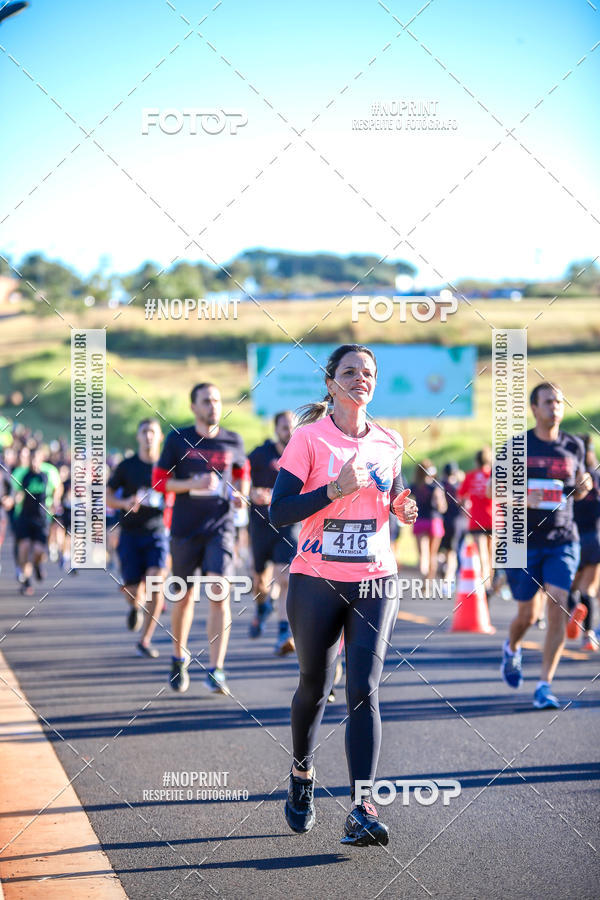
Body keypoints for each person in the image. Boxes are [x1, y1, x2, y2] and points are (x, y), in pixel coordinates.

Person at [269, 344, 417, 846]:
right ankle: (302, 774)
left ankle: (361, 807)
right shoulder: (308, 440)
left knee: (364, 688)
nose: (360, 379)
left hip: (376, 578)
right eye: (350, 371)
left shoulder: (389, 440)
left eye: (368, 372)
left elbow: (394, 494)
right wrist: (332, 491)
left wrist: (402, 505)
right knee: (316, 684)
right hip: (315, 580)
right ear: (331, 383)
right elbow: (279, 511)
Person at [153, 383, 249, 694]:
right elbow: (159, 484)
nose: (213, 406)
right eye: (206, 401)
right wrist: (191, 482)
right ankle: (178, 658)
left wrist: (240, 497)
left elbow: (241, 479)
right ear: (193, 406)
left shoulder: (233, 440)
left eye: (217, 401)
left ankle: (217, 669)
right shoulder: (177, 439)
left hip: (220, 527)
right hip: (184, 529)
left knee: (220, 591)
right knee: (182, 598)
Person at [501, 383, 591, 709]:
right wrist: (524, 498)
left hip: (563, 539)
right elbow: (495, 493)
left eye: (559, 401)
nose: (554, 407)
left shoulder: (574, 446)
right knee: (527, 614)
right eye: (547, 402)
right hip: (525, 541)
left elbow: (579, 486)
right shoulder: (517, 446)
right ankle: (512, 648)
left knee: (558, 601)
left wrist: (584, 486)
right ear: (534, 409)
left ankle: (544, 686)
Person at [106, 419, 170, 658]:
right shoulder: (126, 466)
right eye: (144, 432)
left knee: (156, 582)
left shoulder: (167, 466)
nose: (149, 436)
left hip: (157, 532)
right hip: (130, 534)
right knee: (133, 589)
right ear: (138, 436)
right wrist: (124, 503)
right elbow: (108, 495)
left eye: (153, 432)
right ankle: (135, 606)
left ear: (160, 437)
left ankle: (145, 639)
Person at [247, 410, 299, 655]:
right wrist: (251, 494)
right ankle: (262, 606)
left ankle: (283, 633)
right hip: (260, 525)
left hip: (287, 526)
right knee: (260, 583)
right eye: (284, 427)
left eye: (292, 426)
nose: (288, 431)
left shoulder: (301, 454)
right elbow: (240, 479)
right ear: (276, 428)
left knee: (285, 578)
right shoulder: (259, 454)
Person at [11, 447, 61, 595]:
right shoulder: (21, 473)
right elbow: (15, 492)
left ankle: (38, 565)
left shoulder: (49, 472)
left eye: (36, 459)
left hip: (42, 517)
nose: (33, 463)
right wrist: (13, 499)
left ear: (41, 459)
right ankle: (25, 580)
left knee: (39, 551)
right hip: (24, 516)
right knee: (24, 546)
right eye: (31, 459)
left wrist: (56, 501)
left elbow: (58, 488)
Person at [567, 435, 600, 651]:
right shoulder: (597, 476)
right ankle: (588, 636)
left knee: (569, 585)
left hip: (572, 537)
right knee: (589, 588)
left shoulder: (570, 476)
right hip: (595, 538)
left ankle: (573, 609)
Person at [458, 448, 494, 594]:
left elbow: (460, 496)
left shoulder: (470, 476)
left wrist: (466, 507)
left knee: (482, 554)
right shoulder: (493, 475)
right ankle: (489, 584)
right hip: (494, 518)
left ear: (476, 461)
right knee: (492, 555)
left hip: (476, 520)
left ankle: (485, 584)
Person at [410, 460, 446, 580]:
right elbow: (442, 507)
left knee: (423, 555)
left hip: (420, 521)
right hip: (434, 521)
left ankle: (424, 575)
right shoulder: (436, 486)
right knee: (433, 554)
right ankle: (429, 581)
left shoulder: (414, 486)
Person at [439, 462, 467, 589]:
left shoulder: (441, 485)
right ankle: (451, 578)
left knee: (447, 551)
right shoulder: (460, 485)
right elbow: (466, 504)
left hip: (445, 521)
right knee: (456, 551)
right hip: (460, 521)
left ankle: (448, 578)